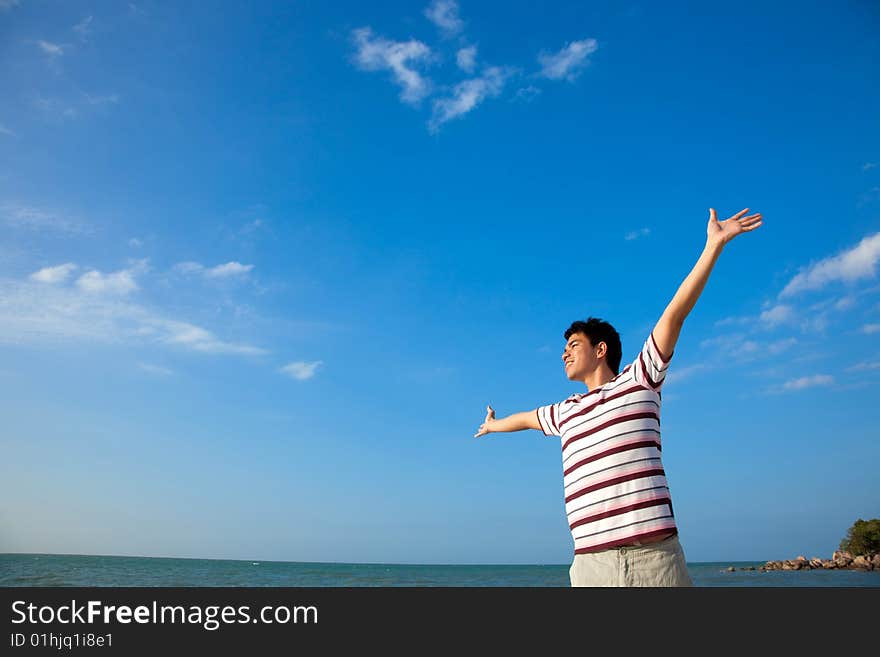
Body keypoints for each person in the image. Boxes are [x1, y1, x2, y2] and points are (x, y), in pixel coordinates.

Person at [474, 207, 763, 587]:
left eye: (573, 344)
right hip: (591, 566)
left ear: (601, 349)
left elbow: (674, 314)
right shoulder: (566, 412)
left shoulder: (640, 379)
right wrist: (494, 425)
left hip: (654, 561)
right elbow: (526, 418)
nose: (564, 353)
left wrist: (713, 246)